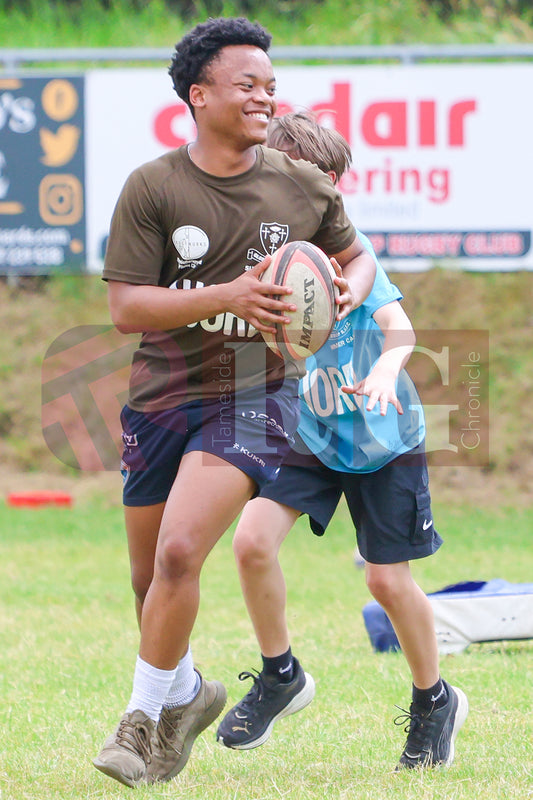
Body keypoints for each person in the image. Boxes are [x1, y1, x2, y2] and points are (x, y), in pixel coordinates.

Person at [92, 20, 376, 788]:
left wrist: (345, 287)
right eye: (247, 84)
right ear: (199, 95)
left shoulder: (299, 182)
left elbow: (355, 252)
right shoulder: (153, 187)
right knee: (148, 579)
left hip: (253, 396)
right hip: (159, 399)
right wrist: (227, 296)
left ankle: (139, 724)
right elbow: (126, 309)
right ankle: (185, 695)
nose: (265, 95)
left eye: (270, 84)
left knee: (182, 552)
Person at [216, 111, 469, 770]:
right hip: (314, 434)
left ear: (328, 186)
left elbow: (399, 328)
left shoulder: (348, 256)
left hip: (386, 439)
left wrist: (385, 370)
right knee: (250, 541)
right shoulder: (272, 260)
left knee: (387, 582)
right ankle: (281, 676)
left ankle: (433, 700)